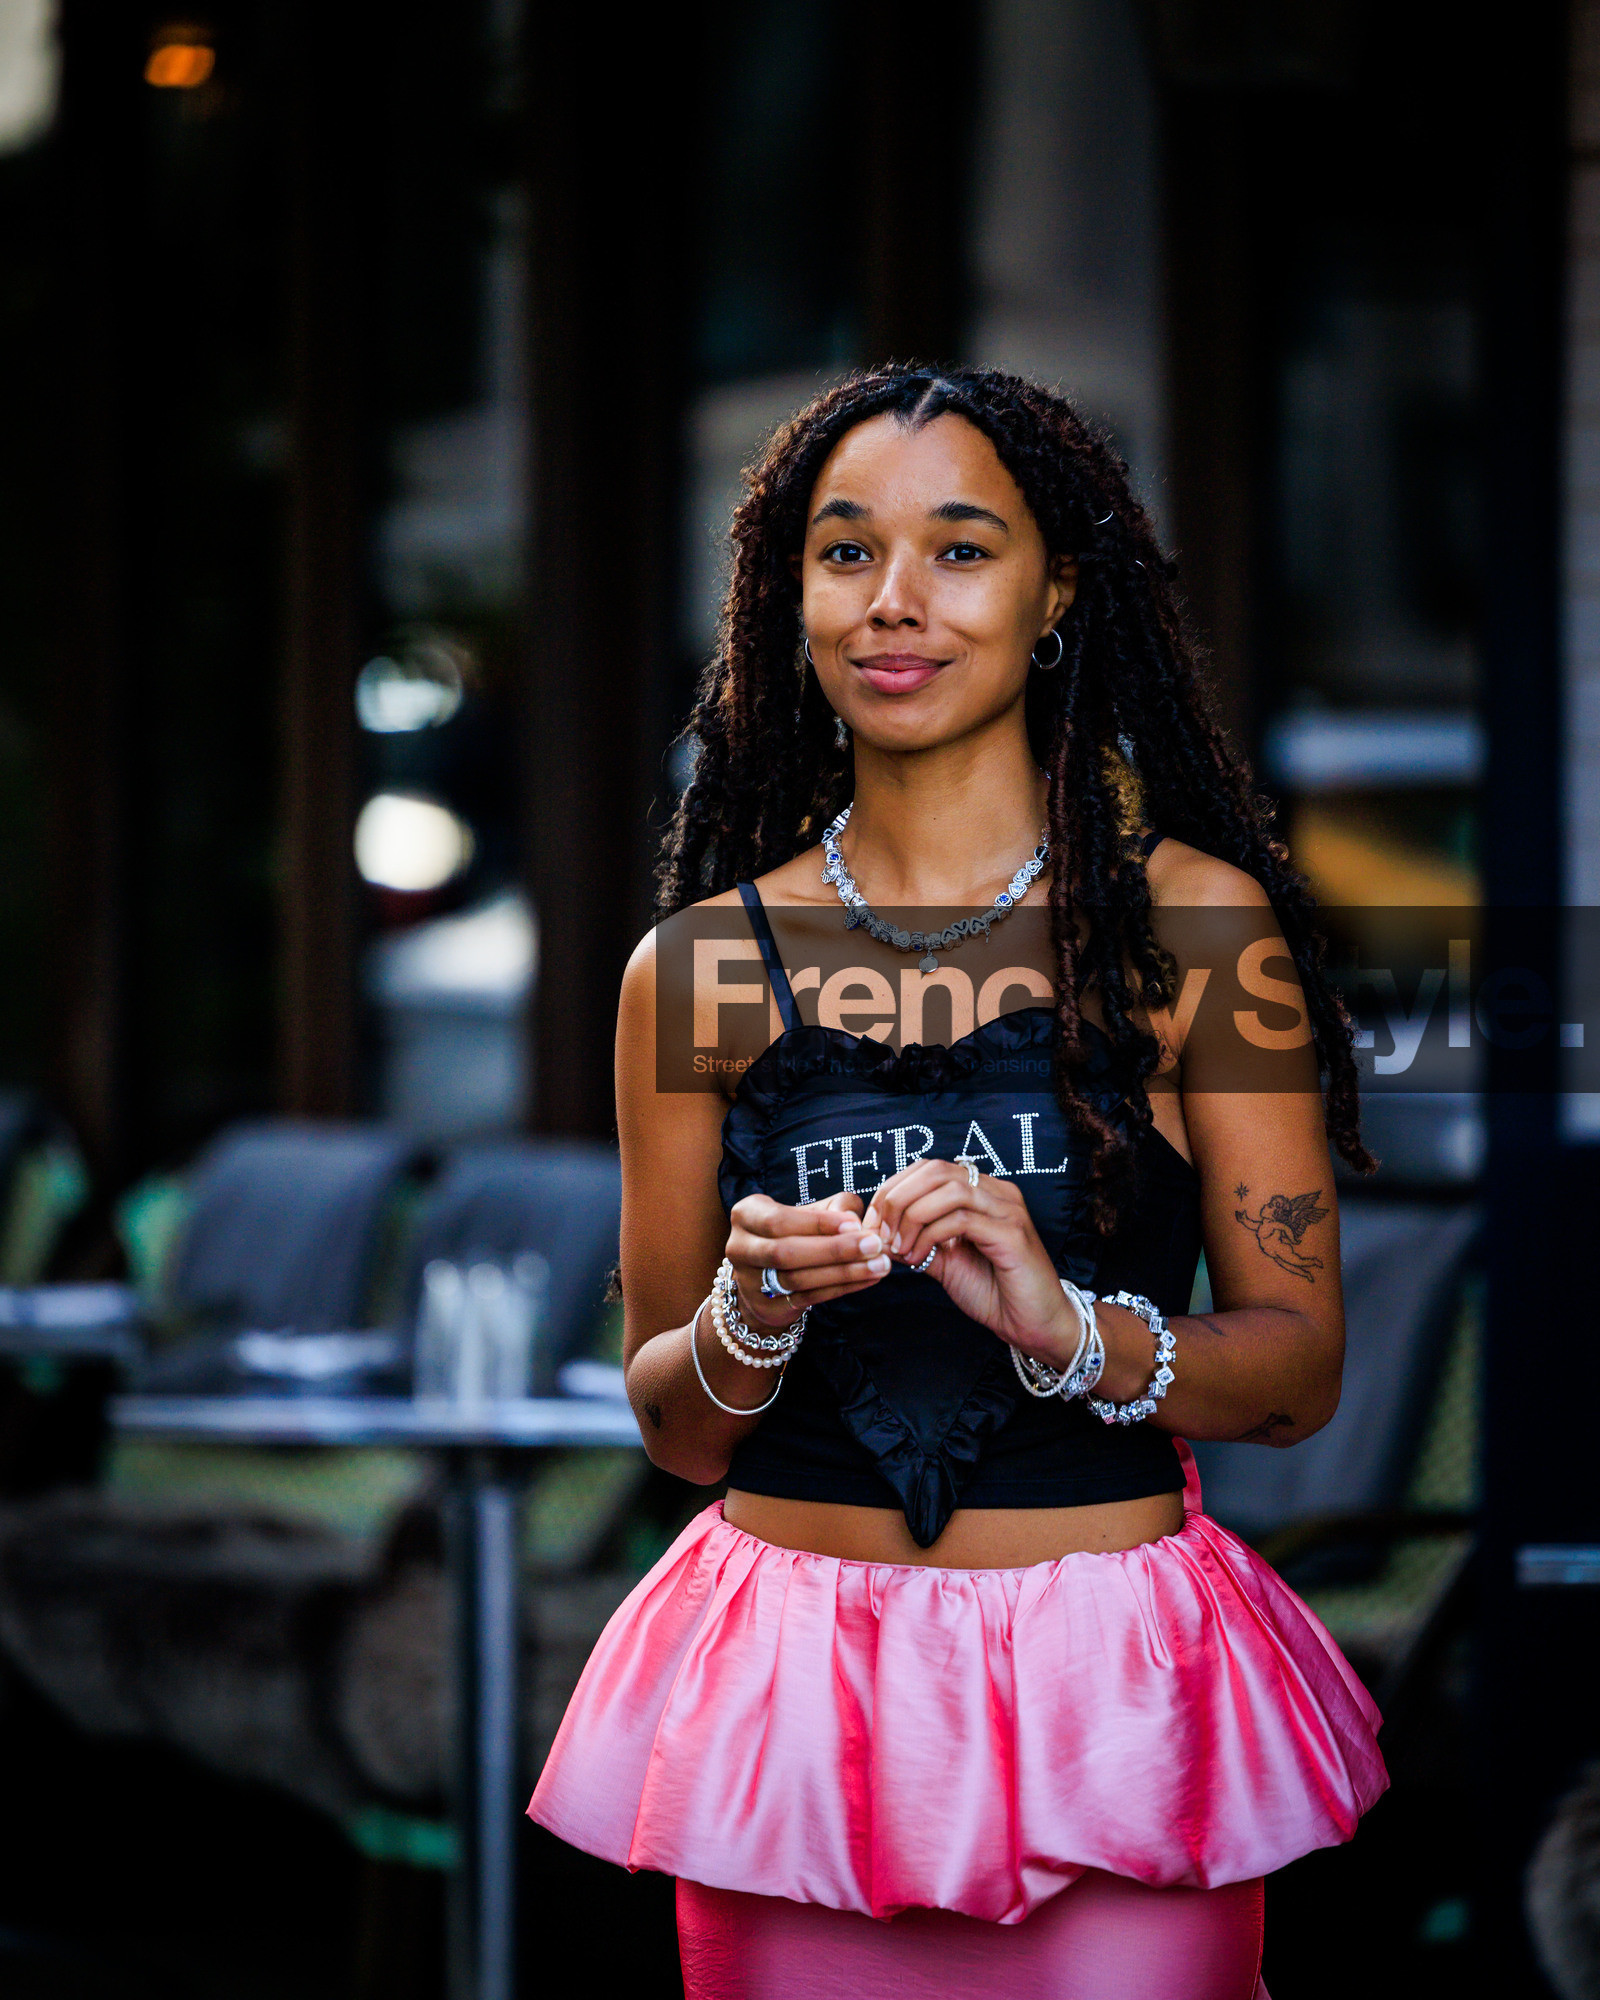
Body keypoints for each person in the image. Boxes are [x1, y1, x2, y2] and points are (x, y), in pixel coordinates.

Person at [529, 365, 1387, 1999]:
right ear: (788, 599)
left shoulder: (1198, 930)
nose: (895, 603)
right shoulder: (695, 970)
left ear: (1059, 588)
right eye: (846, 553)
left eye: (962, 550)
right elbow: (675, 1427)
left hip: (1111, 1688)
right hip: (789, 1692)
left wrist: (1073, 1330)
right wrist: (751, 1307)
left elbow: (1298, 1375)